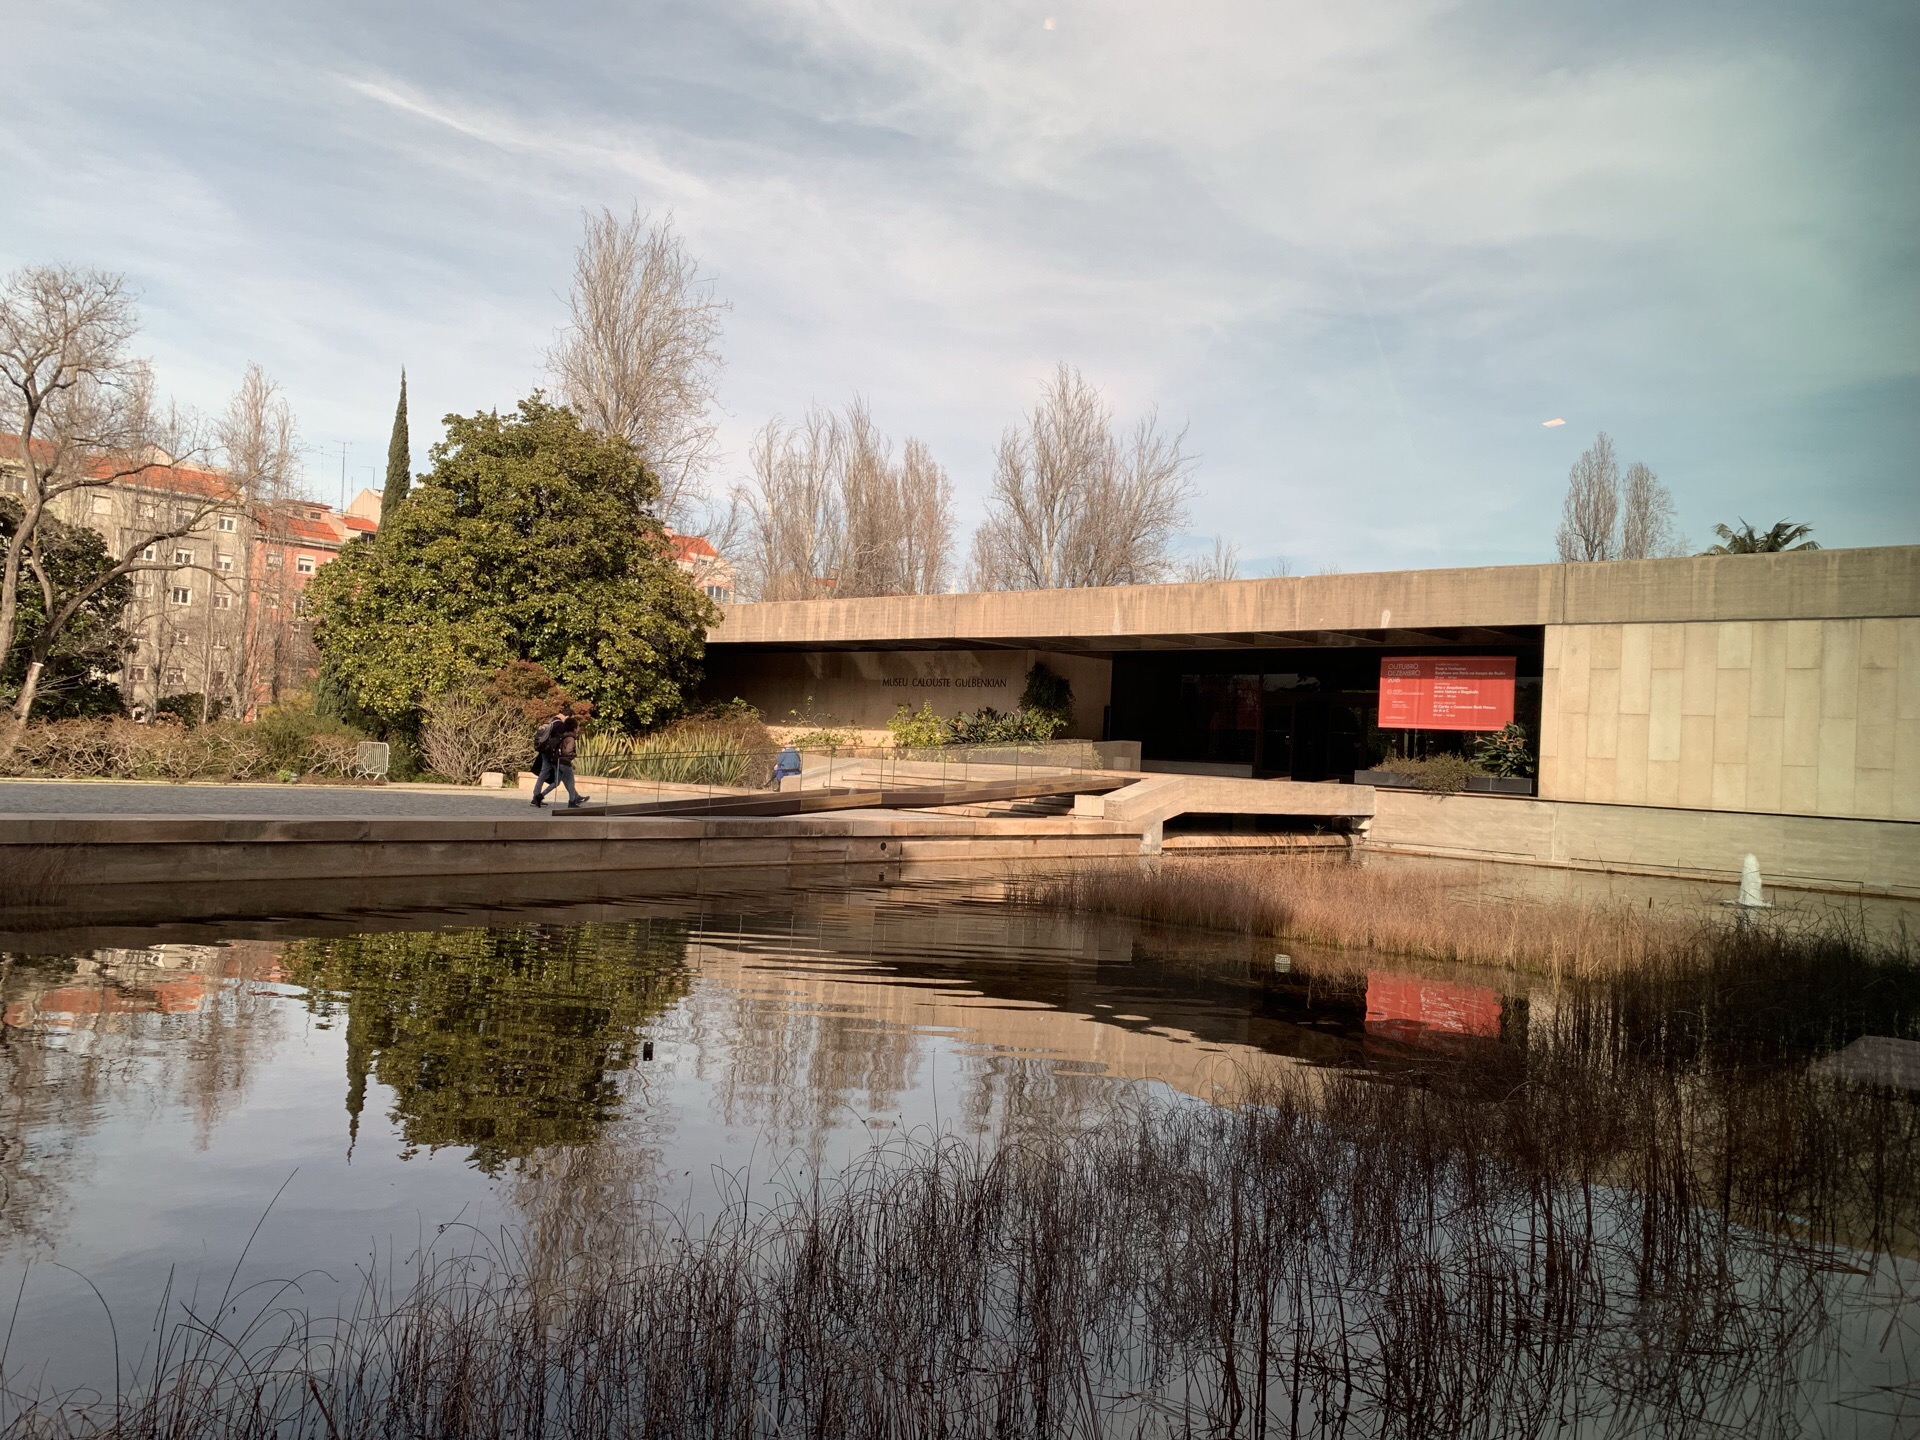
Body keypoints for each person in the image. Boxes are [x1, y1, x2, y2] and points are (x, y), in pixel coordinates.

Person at [530, 709, 590, 808]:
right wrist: (570, 755)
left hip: (549, 753)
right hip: (555, 757)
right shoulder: (560, 725)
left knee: (557, 779)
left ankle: (538, 796)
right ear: (568, 716)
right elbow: (566, 747)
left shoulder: (552, 720)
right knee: (563, 778)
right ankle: (572, 800)